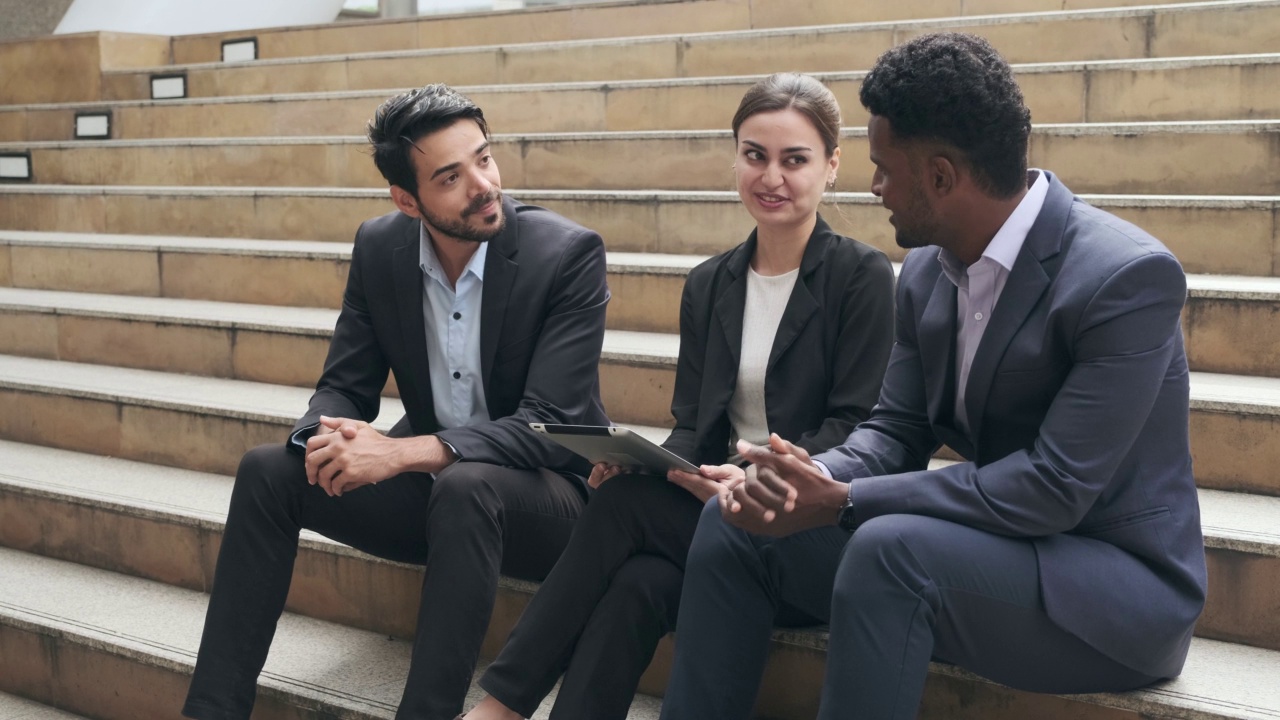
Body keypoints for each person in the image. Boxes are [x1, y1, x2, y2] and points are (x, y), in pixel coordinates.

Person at [659, 33, 1208, 720]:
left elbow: (1052, 488)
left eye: (885, 168)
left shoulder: (1125, 278)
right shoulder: (926, 270)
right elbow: (894, 429)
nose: (874, 186)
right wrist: (795, 479)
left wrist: (846, 499)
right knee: (739, 519)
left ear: (942, 177)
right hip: (984, 548)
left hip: (1111, 588)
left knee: (891, 551)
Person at [461, 73, 895, 720]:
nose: (771, 176)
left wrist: (736, 475)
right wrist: (652, 462)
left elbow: (855, 430)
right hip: (725, 519)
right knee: (637, 578)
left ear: (831, 167)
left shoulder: (862, 278)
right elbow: (693, 425)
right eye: (755, 155)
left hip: (817, 526)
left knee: (624, 511)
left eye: (794, 159)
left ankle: (500, 704)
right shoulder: (710, 283)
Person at [181, 84, 611, 720]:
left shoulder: (566, 255)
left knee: (467, 485)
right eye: (450, 177)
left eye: (484, 160)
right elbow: (345, 384)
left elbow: (552, 424)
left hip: (546, 503)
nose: (483, 185)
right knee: (269, 471)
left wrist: (406, 452)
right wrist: (321, 439)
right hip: (439, 497)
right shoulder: (380, 249)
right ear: (407, 200)